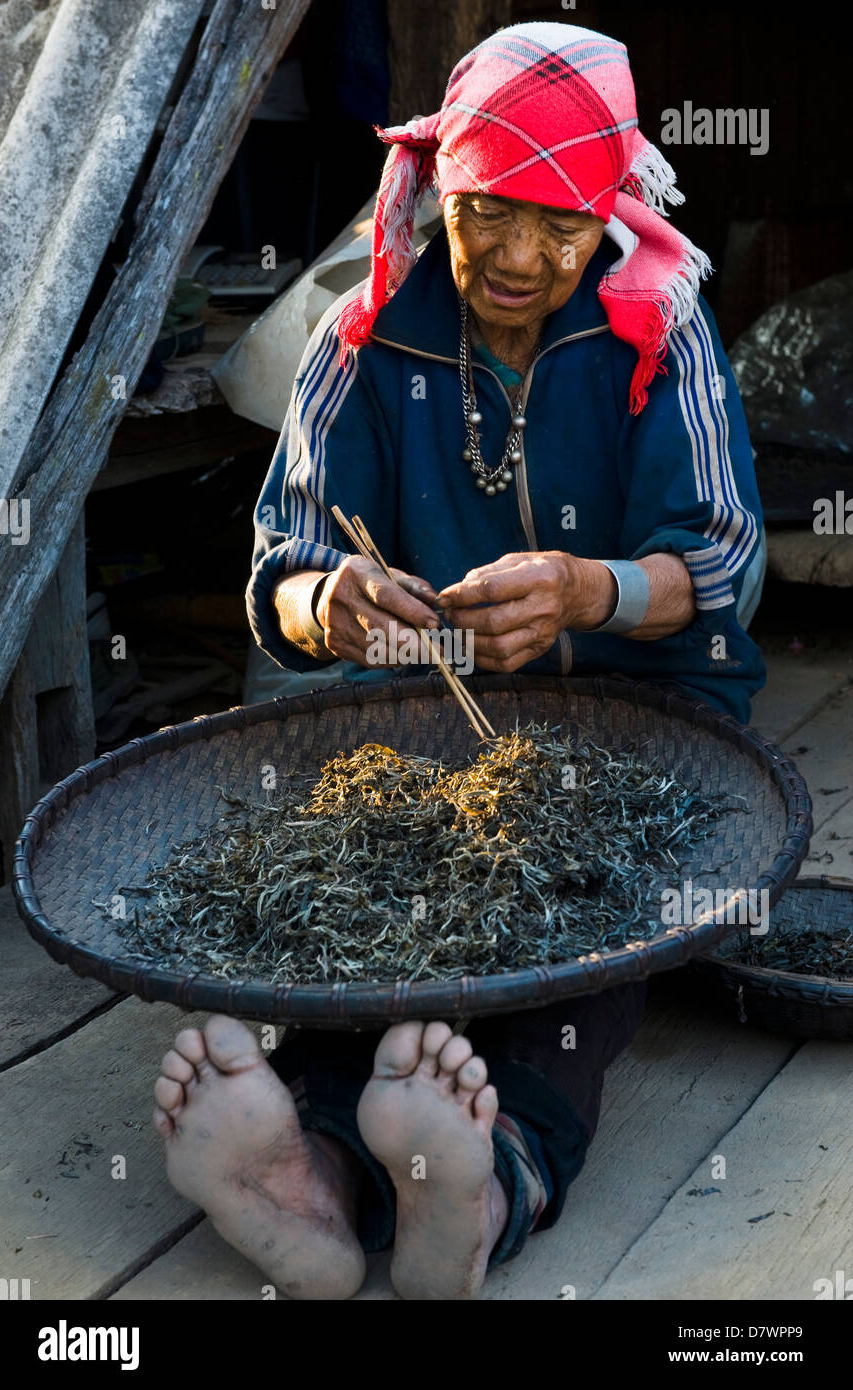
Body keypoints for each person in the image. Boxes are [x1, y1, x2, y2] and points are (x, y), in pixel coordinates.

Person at [153, 21, 766, 1301]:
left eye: (563, 228)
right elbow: (278, 578)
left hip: (638, 722)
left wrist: (592, 590)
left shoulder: (660, 326)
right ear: (444, 188)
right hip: (420, 727)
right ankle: (313, 1170)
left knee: (583, 919)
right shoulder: (366, 336)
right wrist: (337, 605)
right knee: (360, 890)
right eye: (490, 214)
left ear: (609, 216)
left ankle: (490, 1184)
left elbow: (725, 565)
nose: (521, 259)